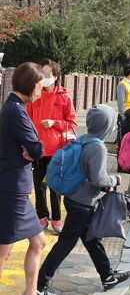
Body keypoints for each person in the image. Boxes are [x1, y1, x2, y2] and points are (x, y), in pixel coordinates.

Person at [37, 104, 130, 295]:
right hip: (82, 203)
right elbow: (99, 179)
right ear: (107, 125)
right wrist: (116, 180)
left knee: (91, 239)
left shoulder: (83, 139)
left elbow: (86, 172)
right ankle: (39, 285)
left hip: (74, 198)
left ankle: (107, 276)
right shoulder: (97, 147)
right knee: (66, 244)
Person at [0, 62, 53, 295]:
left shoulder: (16, 107)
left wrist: (32, 149)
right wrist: (33, 149)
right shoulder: (15, 110)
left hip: (16, 189)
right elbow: (37, 146)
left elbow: (32, 147)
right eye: (40, 86)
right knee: (3, 252)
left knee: (39, 243)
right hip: (11, 190)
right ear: (30, 85)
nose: (42, 91)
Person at [27, 59, 77, 235]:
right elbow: (26, 120)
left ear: (56, 76)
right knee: (39, 186)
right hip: (37, 148)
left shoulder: (64, 97)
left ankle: (56, 219)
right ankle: (42, 218)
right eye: (43, 74)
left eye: (48, 75)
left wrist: (54, 123)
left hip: (57, 150)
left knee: (55, 186)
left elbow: (72, 123)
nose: (44, 78)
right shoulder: (35, 95)